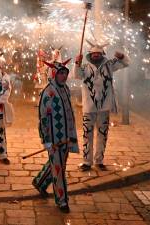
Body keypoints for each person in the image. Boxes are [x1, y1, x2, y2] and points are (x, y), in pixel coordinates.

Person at [73, 40, 129, 171]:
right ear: (90, 55)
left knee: (102, 134)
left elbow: (125, 63)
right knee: (87, 134)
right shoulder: (85, 67)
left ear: (102, 54)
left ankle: (99, 160)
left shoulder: (109, 65)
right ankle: (87, 162)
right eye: (94, 54)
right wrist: (77, 63)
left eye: (98, 53)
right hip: (88, 106)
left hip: (104, 106)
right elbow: (76, 75)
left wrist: (121, 56)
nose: (96, 55)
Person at [32, 58, 79, 213]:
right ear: (54, 74)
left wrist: (72, 134)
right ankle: (62, 201)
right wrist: (46, 140)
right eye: (61, 74)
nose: (64, 76)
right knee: (58, 169)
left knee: (58, 164)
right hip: (54, 139)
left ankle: (39, 182)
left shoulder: (65, 89)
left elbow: (69, 113)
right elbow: (43, 118)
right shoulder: (48, 92)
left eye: (65, 73)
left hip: (65, 137)